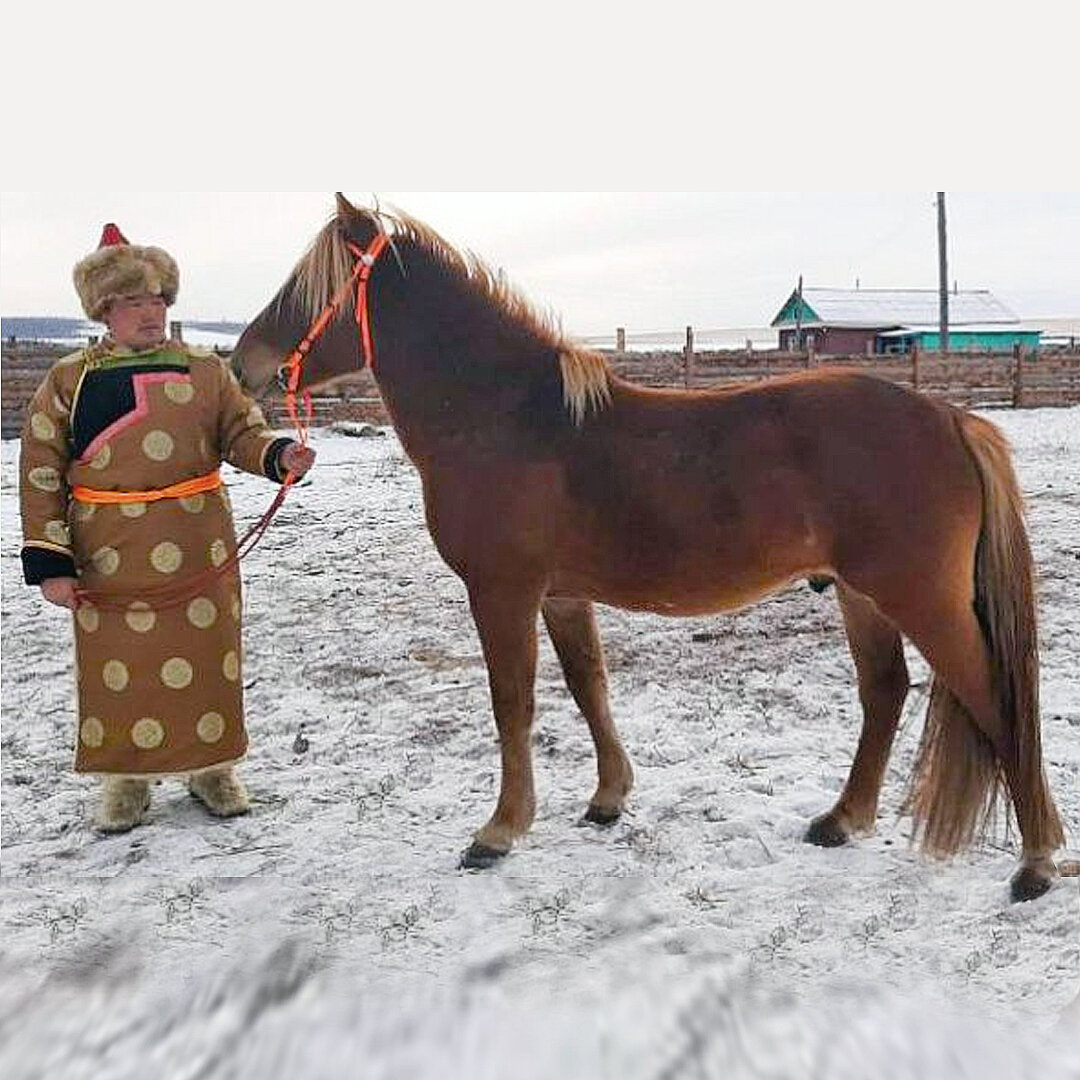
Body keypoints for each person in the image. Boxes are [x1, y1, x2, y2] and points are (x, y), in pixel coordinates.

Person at [19, 224, 315, 833]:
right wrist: (51, 561)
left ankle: (212, 769)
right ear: (104, 310)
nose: (150, 313)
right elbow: (41, 469)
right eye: (133, 301)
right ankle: (125, 782)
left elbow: (241, 433)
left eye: (158, 300)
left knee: (207, 659)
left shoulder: (203, 370)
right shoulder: (69, 381)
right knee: (118, 667)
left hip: (196, 544)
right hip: (108, 554)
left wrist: (277, 454)